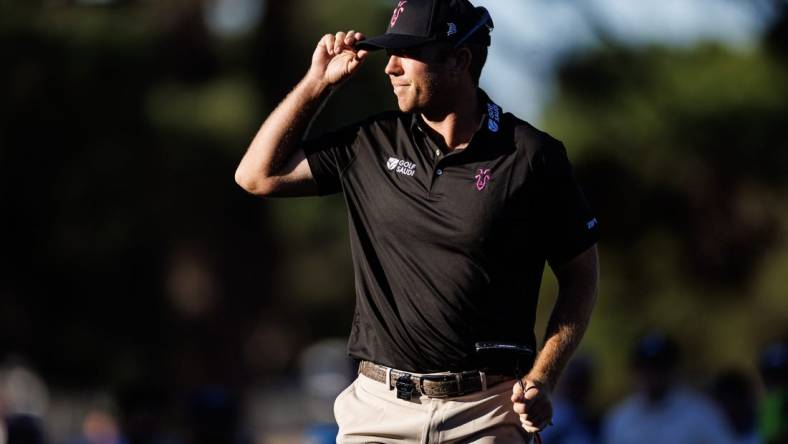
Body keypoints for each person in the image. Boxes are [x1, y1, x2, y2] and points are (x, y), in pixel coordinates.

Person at [235, 0, 600, 442]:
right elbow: (257, 175)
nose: (390, 68)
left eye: (407, 53)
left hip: (485, 413)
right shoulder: (369, 142)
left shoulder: (531, 156)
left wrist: (544, 377)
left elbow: (580, 278)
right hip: (378, 411)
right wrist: (317, 84)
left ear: (459, 60)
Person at [601, 332, 736, 444]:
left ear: (674, 369)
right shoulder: (620, 420)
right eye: (645, 367)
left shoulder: (701, 415)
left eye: (659, 367)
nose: (652, 375)